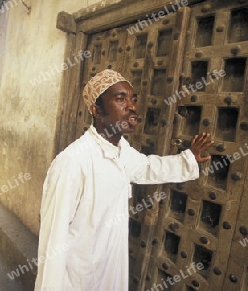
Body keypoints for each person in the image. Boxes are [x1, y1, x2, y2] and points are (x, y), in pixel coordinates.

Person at [34, 69, 213, 290]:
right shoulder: (73, 162)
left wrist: (188, 159)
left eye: (133, 99)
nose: (132, 107)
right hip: (78, 277)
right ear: (96, 110)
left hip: (109, 268)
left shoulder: (121, 150)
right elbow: (53, 239)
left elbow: (148, 167)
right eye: (120, 99)